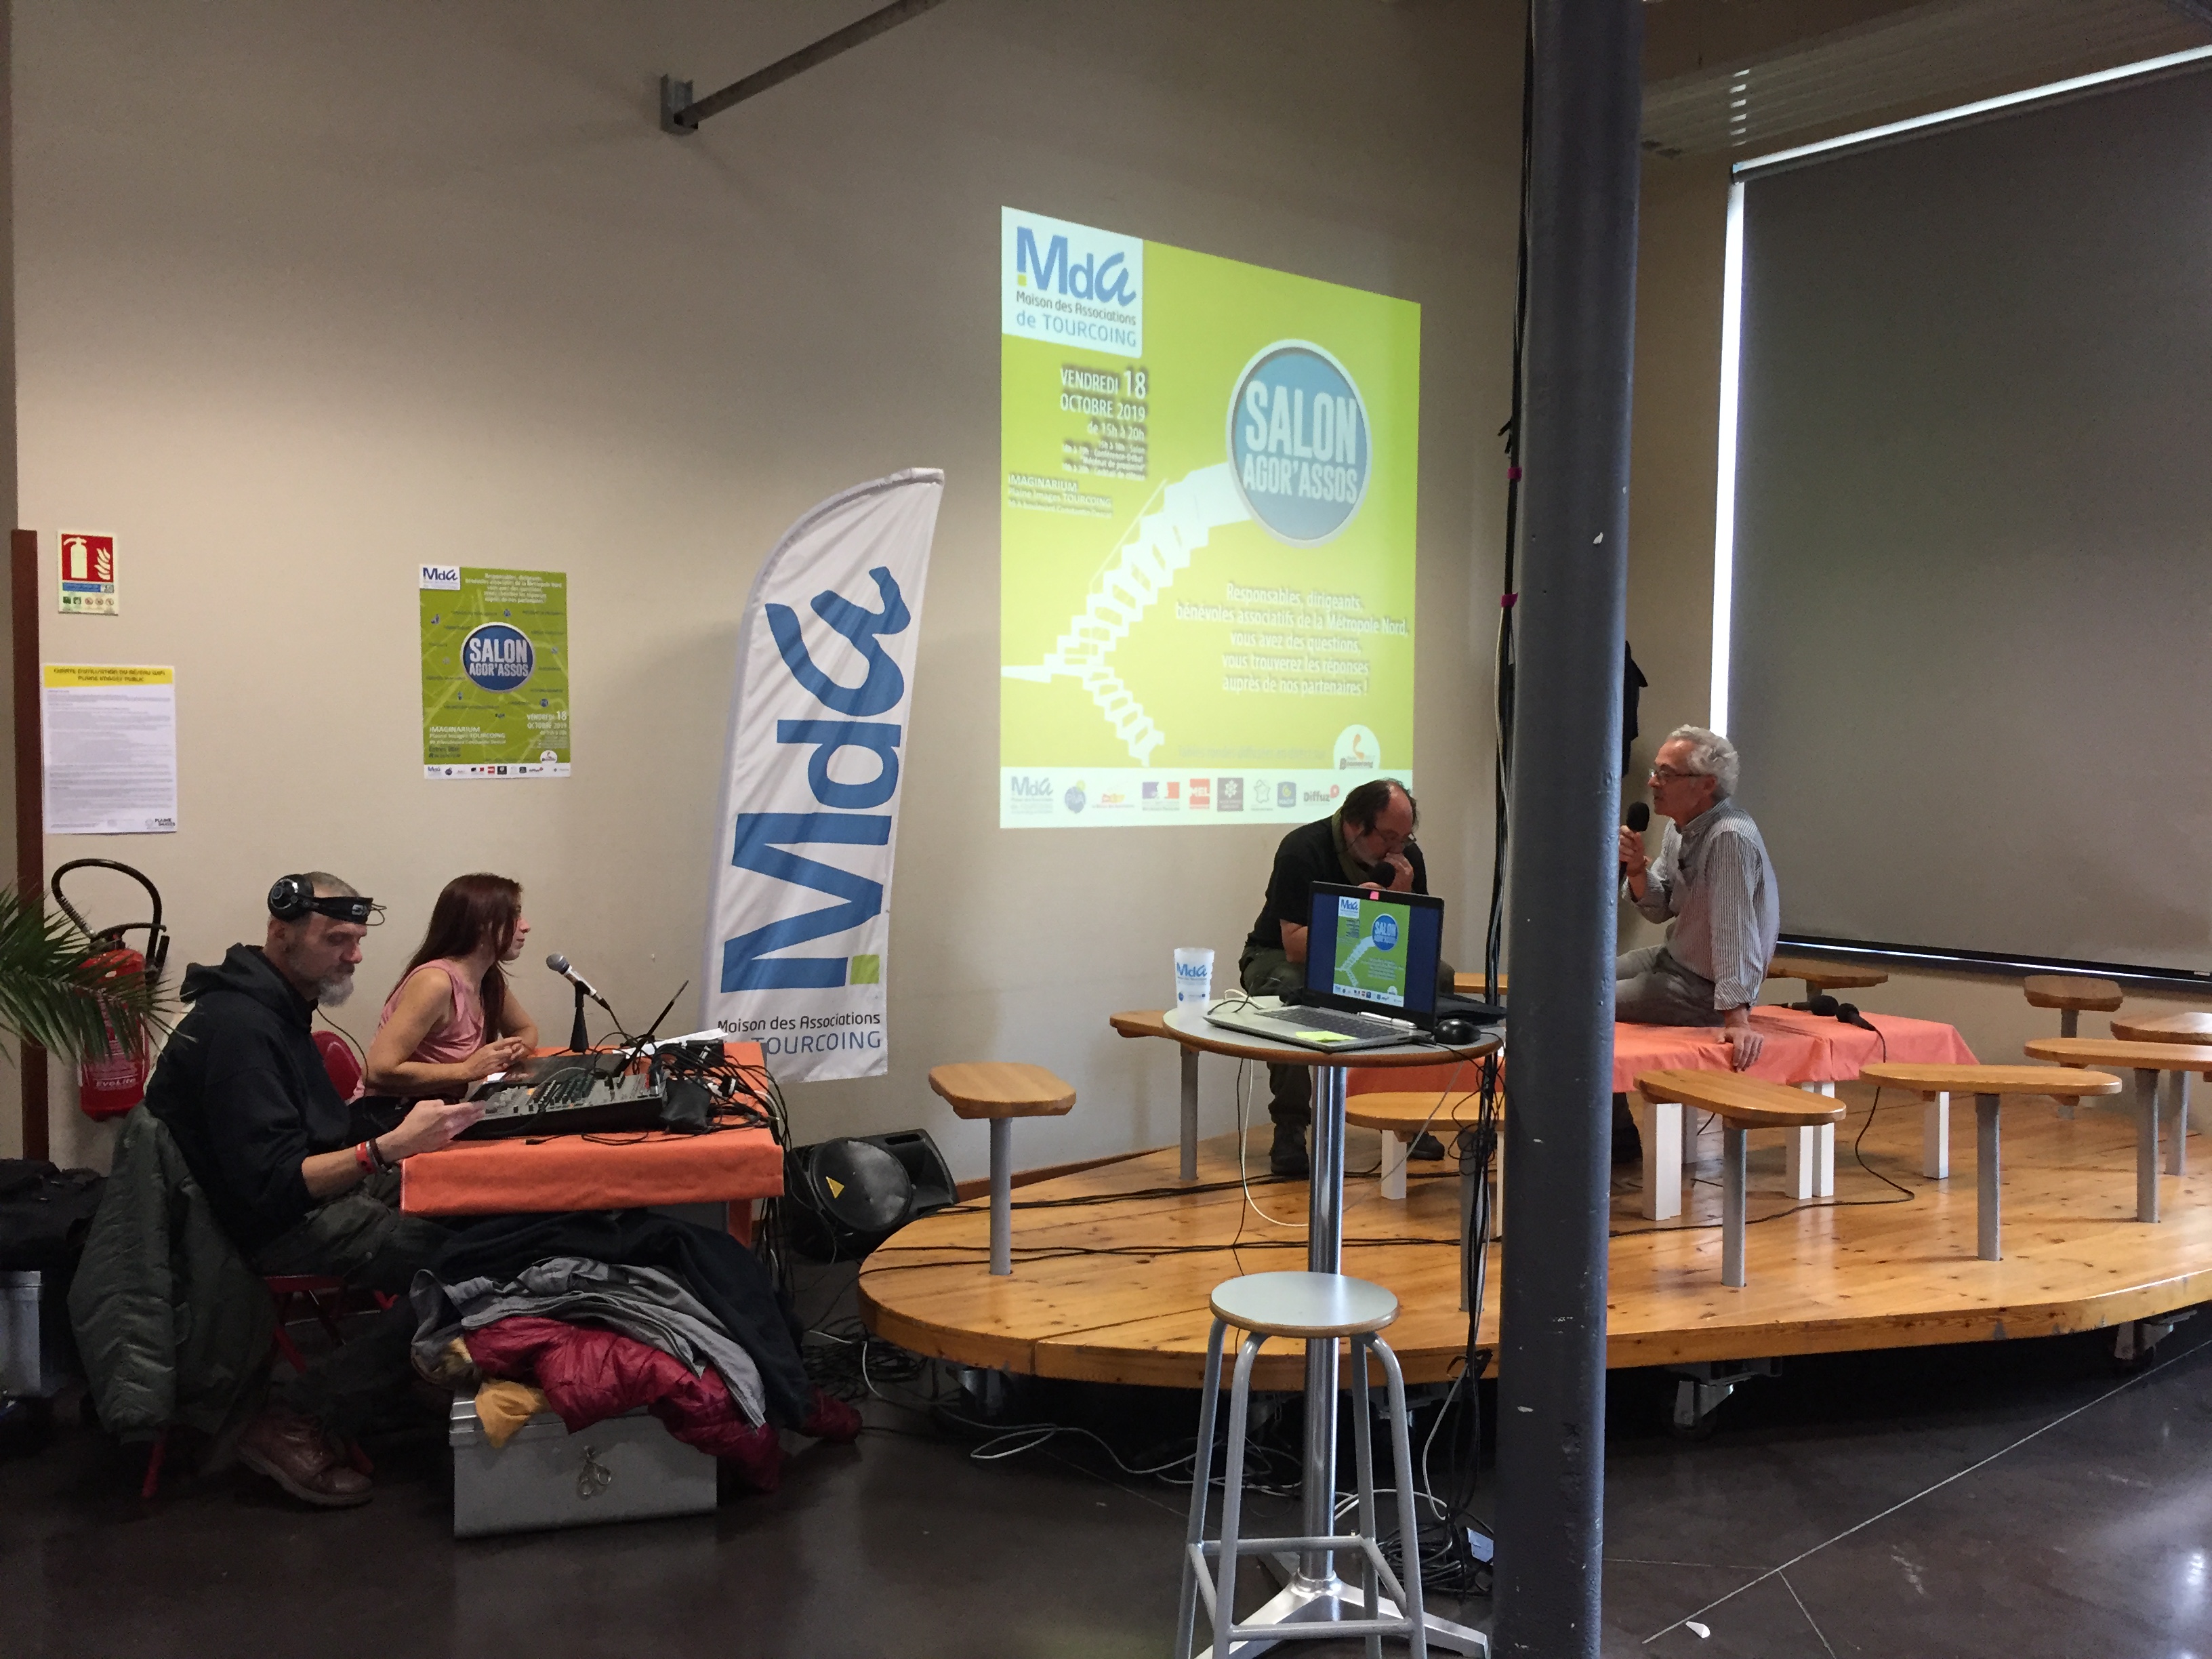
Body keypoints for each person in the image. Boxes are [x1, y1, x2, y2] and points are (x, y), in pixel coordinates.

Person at [144, 873, 484, 1507]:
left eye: (357, 940)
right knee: (473, 1270)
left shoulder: (276, 1005)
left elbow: (311, 1136)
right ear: (281, 932)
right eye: (335, 940)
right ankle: (298, 1414)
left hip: (311, 1196)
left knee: (489, 1217)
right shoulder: (241, 1029)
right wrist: (386, 1149)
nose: (353, 955)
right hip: (276, 1225)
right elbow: (273, 1184)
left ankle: (406, 1375)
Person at [1239, 777, 1450, 1177]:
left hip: (1364, 955)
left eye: (1405, 838)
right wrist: (1356, 910)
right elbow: (1294, 944)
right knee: (1291, 990)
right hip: (1280, 955)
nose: (1397, 849)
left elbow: (1418, 949)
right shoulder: (1303, 848)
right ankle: (1290, 1126)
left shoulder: (1406, 860)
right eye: (1388, 837)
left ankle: (1412, 1114)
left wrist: (1402, 899)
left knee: (1436, 978)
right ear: (1355, 824)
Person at [1616, 726, 1781, 1075]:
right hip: (1673, 959)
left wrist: (1737, 1020)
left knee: (1582, 1003)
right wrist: (1637, 870)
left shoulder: (1729, 838)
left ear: (1706, 785)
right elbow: (1660, 908)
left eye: (1666, 774)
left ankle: (1609, 1111)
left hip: (1702, 990)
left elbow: (1734, 931)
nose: (1652, 782)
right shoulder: (1679, 826)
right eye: (1655, 771)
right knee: (1583, 979)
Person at [365, 872, 539, 1099]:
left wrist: (512, 1052)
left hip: (444, 1107)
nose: (526, 926)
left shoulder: (488, 978)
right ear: (481, 923)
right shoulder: (435, 982)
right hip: (395, 1113)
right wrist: (468, 1070)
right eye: (514, 915)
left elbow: (525, 1029)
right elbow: (376, 1071)